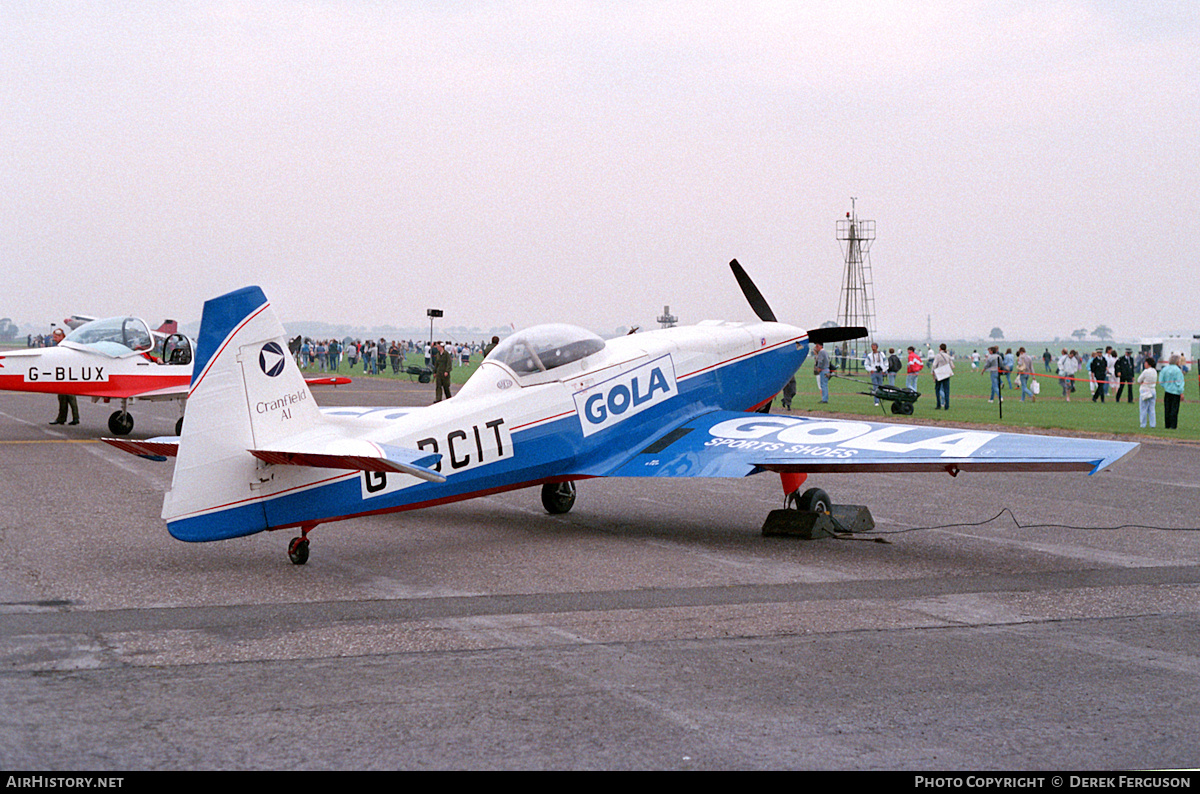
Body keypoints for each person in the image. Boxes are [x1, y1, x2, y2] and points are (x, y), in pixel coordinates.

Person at [47, 328, 79, 426]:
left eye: (56, 336)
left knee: (71, 398)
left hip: (68, 376)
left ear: (62, 336)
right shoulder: (59, 346)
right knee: (62, 399)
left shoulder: (67, 346)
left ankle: (75, 418)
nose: (54, 338)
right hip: (61, 376)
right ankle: (62, 418)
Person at [1160, 354, 1185, 430]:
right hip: (1176, 392)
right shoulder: (1178, 370)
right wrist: (1181, 392)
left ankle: (1167, 425)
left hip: (1167, 392)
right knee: (1174, 409)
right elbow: (1179, 382)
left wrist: (1166, 386)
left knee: (1167, 409)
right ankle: (1173, 425)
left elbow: (1161, 381)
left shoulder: (1165, 369)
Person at [1137, 356, 1158, 428]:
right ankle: (1153, 424)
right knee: (1152, 409)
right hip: (1153, 390)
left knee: (1143, 408)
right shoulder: (1155, 371)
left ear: (1148, 364)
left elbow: (1139, 380)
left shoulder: (1146, 371)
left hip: (1145, 390)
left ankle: (1143, 424)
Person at [932, 343, 953, 409]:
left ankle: (938, 404)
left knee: (937, 389)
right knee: (946, 390)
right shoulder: (948, 356)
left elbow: (934, 365)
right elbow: (952, 366)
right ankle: (947, 405)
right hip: (946, 373)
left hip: (939, 373)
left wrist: (933, 372)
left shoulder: (938, 355)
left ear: (940, 348)